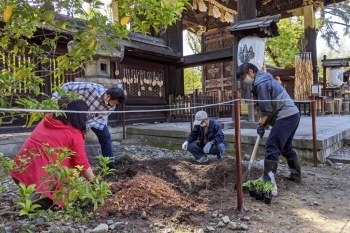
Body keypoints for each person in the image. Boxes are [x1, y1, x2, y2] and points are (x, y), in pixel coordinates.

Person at [10, 98, 94, 208]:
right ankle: (45, 199)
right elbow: (81, 162)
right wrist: (94, 182)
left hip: (19, 173)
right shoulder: (74, 133)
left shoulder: (47, 120)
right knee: (73, 172)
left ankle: (35, 198)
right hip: (41, 182)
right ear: (79, 115)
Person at [237, 63, 301, 196]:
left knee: (272, 145)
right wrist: (263, 124)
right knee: (285, 147)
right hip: (293, 115)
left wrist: (261, 125)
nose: (244, 80)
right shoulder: (264, 79)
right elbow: (268, 107)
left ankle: (269, 180)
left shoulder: (260, 83)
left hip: (285, 115)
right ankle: (296, 174)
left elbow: (265, 109)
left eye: (244, 76)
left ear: (250, 71)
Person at [53, 82, 126, 170]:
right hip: (77, 117)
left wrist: (84, 127)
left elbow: (98, 119)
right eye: (114, 102)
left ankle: (109, 165)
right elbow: (67, 86)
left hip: (94, 120)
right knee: (76, 140)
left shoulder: (111, 107)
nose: (114, 105)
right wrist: (55, 98)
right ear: (108, 96)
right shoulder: (90, 88)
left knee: (106, 137)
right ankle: (77, 164)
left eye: (116, 104)